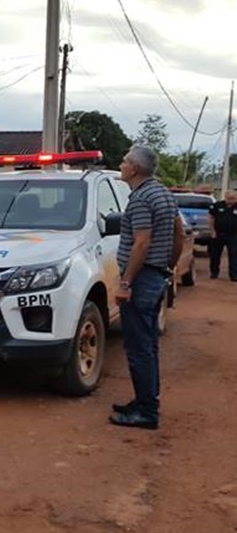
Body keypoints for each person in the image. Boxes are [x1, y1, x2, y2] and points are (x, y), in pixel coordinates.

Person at [109, 145, 184, 430]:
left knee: (139, 346)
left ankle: (146, 412)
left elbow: (141, 243)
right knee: (148, 344)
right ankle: (145, 401)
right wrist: (168, 266)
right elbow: (179, 233)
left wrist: (125, 282)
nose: (121, 164)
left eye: (125, 161)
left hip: (141, 279)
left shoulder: (140, 199)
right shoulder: (162, 192)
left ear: (135, 169)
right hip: (155, 275)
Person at [208, 190, 237, 281]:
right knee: (215, 255)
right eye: (229, 198)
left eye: (233, 198)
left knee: (234, 255)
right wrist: (212, 231)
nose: (231, 201)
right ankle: (214, 273)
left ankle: (234, 275)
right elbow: (211, 217)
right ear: (225, 197)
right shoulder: (217, 205)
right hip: (218, 234)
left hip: (233, 235)